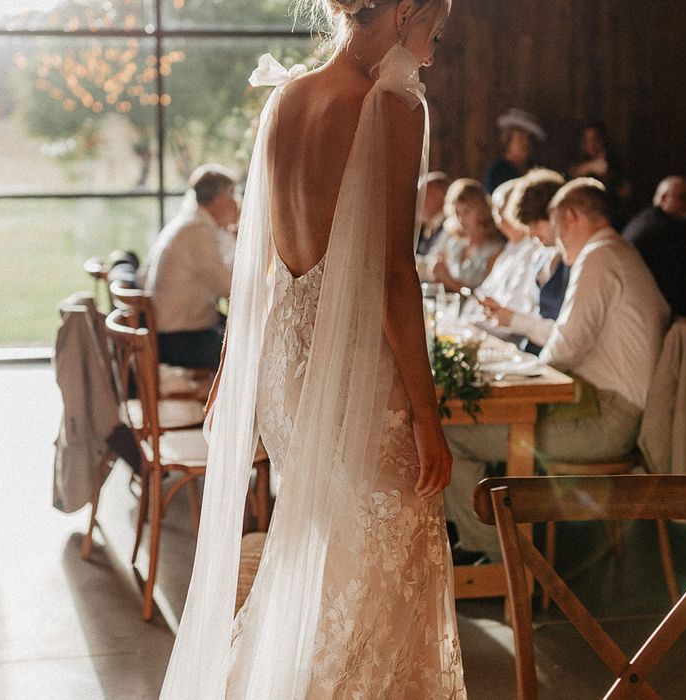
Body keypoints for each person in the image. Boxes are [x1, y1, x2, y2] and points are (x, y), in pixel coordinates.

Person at [160, 1, 466, 698]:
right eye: (435, 32)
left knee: (326, 555)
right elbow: (394, 274)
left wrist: (238, 374)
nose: (432, 52)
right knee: (387, 566)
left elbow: (262, 265)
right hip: (359, 374)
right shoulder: (393, 107)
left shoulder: (288, 97)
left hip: (288, 372)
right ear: (405, 11)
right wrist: (428, 415)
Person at [444, 179, 670, 561]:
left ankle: (496, 560)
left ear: (571, 216)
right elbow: (569, 335)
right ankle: (489, 548)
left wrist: (517, 381)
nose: (553, 242)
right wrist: (515, 322)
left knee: (452, 433)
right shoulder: (615, 252)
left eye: (554, 227)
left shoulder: (598, 256)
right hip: (607, 408)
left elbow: (564, 349)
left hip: (607, 420)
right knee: (469, 419)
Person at [139, 164, 238, 370]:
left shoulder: (192, 222)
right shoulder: (196, 232)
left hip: (173, 332)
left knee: (240, 336)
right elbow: (228, 288)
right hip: (178, 340)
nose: (236, 202)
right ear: (218, 199)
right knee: (247, 348)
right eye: (232, 194)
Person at [480, 168, 567, 354]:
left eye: (536, 224)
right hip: (529, 354)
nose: (533, 234)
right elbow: (529, 311)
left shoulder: (574, 262)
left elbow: (568, 338)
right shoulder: (540, 257)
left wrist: (514, 319)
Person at [460, 177, 541, 329]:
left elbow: (517, 307)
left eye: (500, 209)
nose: (497, 217)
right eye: (495, 210)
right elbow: (482, 292)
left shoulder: (532, 251)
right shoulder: (509, 249)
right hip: (485, 326)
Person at [623, 176, 686, 328]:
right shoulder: (667, 229)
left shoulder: (645, 219)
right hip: (652, 315)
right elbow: (683, 280)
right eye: (683, 198)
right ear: (663, 198)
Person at [425, 178, 504, 292]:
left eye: (466, 211)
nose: (461, 219)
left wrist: (448, 280)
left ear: (481, 211)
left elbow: (486, 298)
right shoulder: (454, 244)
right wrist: (436, 274)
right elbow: (439, 283)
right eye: (457, 213)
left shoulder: (495, 250)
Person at [567, 121, 632, 229]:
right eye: (587, 140)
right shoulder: (578, 163)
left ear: (603, 140)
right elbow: (571, 176)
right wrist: (590, 167)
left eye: (595, 139)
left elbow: (624, 195)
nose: (591, 144)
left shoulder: (615, 164)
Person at [483, 108, 545, 194]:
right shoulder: (497, 171)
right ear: (509, 139)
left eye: (529, 138)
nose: (526, 142)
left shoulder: (537, 168)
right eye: (520, 138)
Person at [415, 169, 451, 257]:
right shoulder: (428, 229)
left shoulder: (450, 229)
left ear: (439, 197)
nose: (416, 203)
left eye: (421, 196)